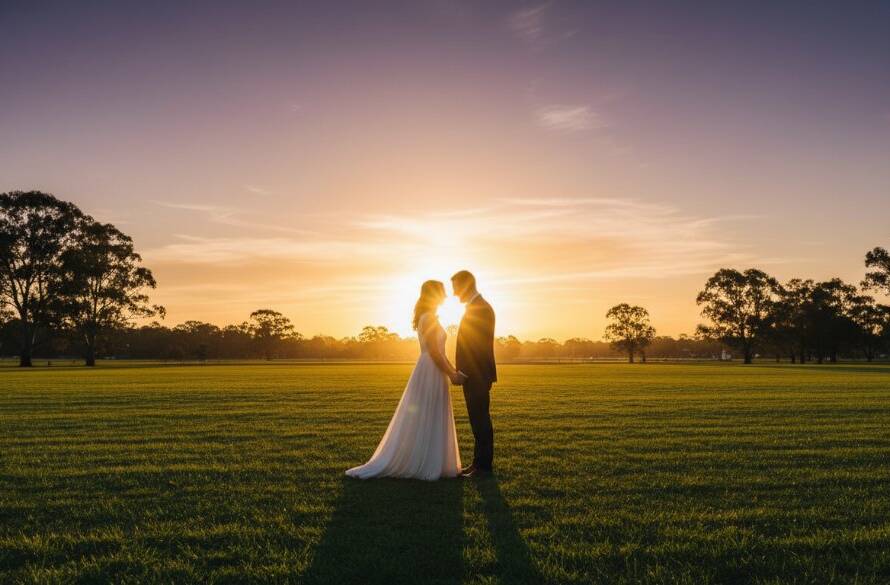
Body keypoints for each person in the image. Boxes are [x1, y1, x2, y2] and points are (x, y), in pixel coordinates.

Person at [346, 280, 465, 481]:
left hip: (434, 370)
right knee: (427, 414)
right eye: (442, 292)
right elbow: (435, 353)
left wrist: (453, 371)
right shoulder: (428, 319)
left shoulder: (430, 318)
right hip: (430, 370)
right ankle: (425, 463)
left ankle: (434, 460)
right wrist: (452, 374)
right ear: (434, 295)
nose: (446, 296)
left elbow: (441, 353)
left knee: (433, 413)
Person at [451, 270, 497, 477]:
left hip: (476, 374)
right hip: (474, 374)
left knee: (480, 420)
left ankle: (484, 467)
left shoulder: (480, 309)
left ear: (465, 285)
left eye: (455, 288)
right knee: (477, 419)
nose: (454, 294)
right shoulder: (476, 307)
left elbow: (476, 346)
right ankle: (478, 463)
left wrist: (464, 372)